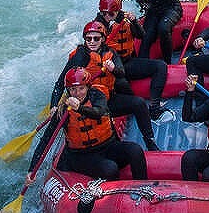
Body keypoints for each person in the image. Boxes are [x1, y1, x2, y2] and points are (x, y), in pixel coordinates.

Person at [49, 21, 160, 150]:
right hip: (88, 105)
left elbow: (121, 73)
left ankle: (150, 141)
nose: (92, 42)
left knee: (139, 103)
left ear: (103, 39)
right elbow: (60, 83)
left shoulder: (110, 52)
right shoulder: (79, 57)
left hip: (108, 99)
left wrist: (113, 69)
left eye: (96, 38)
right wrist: (54, 105)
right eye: (88, 38)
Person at [29, 67, 147, 182]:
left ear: (87, 87)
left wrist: (79, 108)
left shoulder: (97, 96)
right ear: (68, 91)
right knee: (110, 169)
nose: (77, 93)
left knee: (135, 150)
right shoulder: (63, 111)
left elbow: (99, 113)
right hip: (82, 156)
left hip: (108, 146)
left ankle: (143, 187)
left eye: (81, 88)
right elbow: (46, 140)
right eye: (73, 90)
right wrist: (32, 170)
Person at [93, 0, 169, 121]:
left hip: (127, 63)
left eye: (110, 14)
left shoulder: (126, 20)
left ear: (118, 11)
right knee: (123, 84)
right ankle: (130, 109)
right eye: (103, 13)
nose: (107, 17)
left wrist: (134, 22)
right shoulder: (97, 28)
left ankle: (154, 106)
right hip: (111, 70)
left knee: (161, 66)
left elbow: (141, 36)